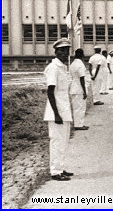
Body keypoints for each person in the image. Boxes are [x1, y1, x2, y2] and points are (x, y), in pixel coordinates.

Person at [44, 38, 74, 181]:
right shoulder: (53, 67)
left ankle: (60, 168)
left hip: (64, 109)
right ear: (55, 51)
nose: (65, 53)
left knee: (63, 141)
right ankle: (55, 171)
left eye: (67, 50)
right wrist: (56, 114)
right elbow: (50, 91)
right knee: (56, 141)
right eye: (61, 50)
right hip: (56, 112)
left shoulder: (62, 67)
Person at [69, 48, 89, 131]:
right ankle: (78, 125)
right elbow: (82, 78)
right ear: (82, 55)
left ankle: (78, 123)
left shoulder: (73, 63)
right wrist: (84, 91)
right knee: (80, 107)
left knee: (76, 107)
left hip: (74, 87)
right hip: (79, 88)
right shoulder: (80, 64)